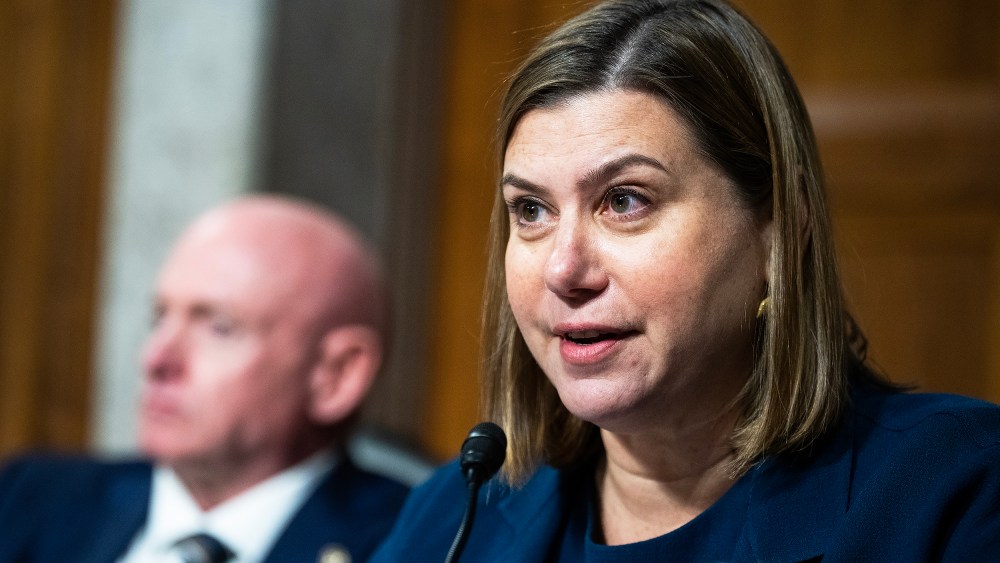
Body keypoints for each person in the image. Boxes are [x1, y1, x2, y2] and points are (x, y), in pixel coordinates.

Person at [372, 0, 1000, 560]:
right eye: (531, 210)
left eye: (624, 201)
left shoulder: (957, 490)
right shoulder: (453, 517)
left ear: (779, 232)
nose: (563, 270)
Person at [0, 195, 409, 562]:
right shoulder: (32, 499)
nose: (155, 359)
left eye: (219, 327)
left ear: (336, 374)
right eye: (159, 318)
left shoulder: (411, 544)